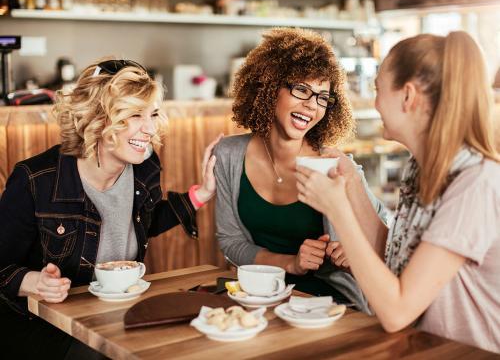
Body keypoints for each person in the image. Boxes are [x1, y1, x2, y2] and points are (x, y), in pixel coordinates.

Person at [0, 58, 221, 358]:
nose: (150, 128)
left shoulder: (144, 167)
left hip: (115, 314)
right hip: (46, 328)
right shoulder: (35, 180)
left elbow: (144, 220)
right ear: (98, 119)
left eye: (153, 114)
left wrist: (203, 192)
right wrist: (34, 283)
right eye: (134, 115)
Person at [296, 31, 500, 353]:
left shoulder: (475, 183)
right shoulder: (423, 168)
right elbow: (393, 259)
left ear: (408, 97)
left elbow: (398, 311)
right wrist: (350, 185)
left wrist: (338, 210)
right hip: (421, 349)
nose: (375, 103)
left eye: (378, 89)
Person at [213, 28, 388, 311]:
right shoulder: (228, 156)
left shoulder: (336, 167)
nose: (311, 105)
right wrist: (290, 263)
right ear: (268, 86)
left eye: (322, 97)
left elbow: (384, 242)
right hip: (260, 299)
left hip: (332, 306)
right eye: (302, 89)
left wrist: (356, 252)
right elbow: (231, 241)